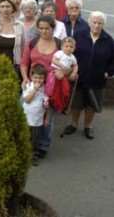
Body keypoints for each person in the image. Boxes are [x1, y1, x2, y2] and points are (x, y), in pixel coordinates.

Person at [63, 11, 114, 140]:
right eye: (94, 22)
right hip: (79, 77)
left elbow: (112, 61)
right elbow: (70, 53)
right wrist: (70, 69)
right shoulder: (79, 36)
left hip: (97, 79)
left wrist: (108, 71)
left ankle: (88, 126)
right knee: (76, 104)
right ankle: (74, 124)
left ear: (103, 25)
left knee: (91, 105)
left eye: (100, 23)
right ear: (89, 23)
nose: (96, 25)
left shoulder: (108, 40)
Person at [20, 15, 64, 159]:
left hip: (50, 88)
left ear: (53, 28)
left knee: (47, 118)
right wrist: (25, 77)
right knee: (27, 114)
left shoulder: (59, 45)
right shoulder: (32, 43)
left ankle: (42, 146)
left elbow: (69, 66)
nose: (44, 31)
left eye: (47, 28)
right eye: (41, 28)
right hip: (33, 85)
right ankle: (26, 143)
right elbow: (24, 63)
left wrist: (62, 71)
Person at [22, 64, 48, 166]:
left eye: (41, 78)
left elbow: (45, 105)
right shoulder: (28, 86)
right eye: (36, 77)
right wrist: (35, 89)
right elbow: (27, 100)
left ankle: (33, 156)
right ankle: (23, 155)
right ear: (31, 77)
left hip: (37, 120)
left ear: (44, 78)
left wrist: (45, 106)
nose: (38, 80)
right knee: (25, 137)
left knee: (35, 139)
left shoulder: (45, 89)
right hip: (26, 119)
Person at [46, 37, 78, 113]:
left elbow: (75, 65)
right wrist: (61, 65)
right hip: (55, 71)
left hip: (64, 76)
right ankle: (51, 98)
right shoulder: (60, 53)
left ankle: (61, 103)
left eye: (71, 47)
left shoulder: (72, 57)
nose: (69, 48)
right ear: (62, 47)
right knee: (54, 87)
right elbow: (53, 60)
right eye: (66, 46)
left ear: (74, 48)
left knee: (65, 89)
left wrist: (74, 73)